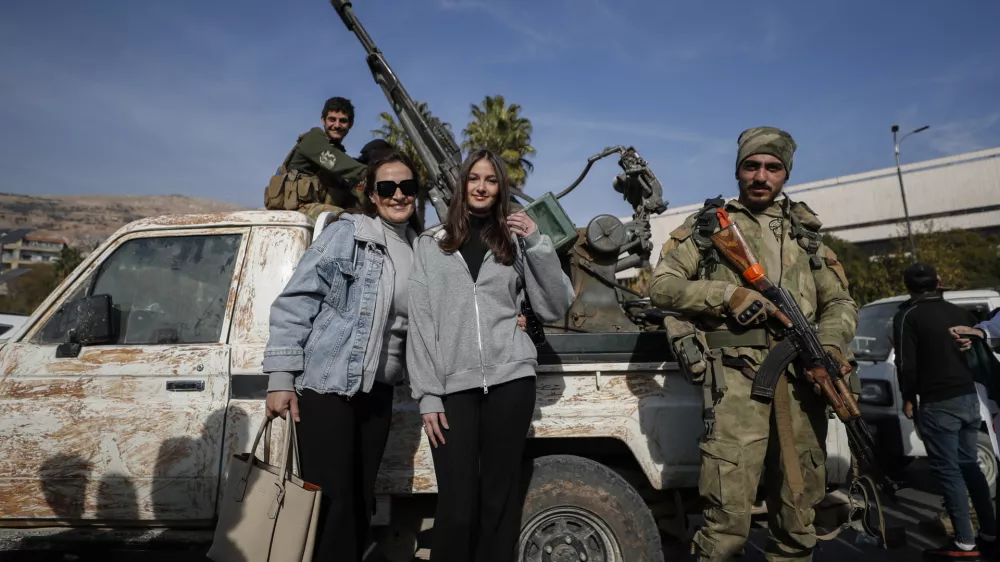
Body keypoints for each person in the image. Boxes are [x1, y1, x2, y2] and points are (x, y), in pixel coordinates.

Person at [648, 126, 858, 561]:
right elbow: (663, 286)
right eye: (752, 165)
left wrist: (832, 348)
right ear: (738, 169)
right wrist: (728, 294)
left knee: (799, 517)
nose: (761, 176)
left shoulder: (805, 234)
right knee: (726, 522)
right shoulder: (708, 228)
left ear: (786, 174)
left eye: (773, 167)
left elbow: (838, 301)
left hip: (804, 385)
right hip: (738, 387)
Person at [406, 148, 575, 562]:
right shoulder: (432, 243)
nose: (481, 187)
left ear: (500, 189)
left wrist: (537, 243)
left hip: (511, 383)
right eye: (474, 178)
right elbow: (422, 321)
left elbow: (556, 305)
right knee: (457, 507)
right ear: (462, 185)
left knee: (498, 504)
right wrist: (428, 393)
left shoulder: (516, 240)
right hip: (453, 389)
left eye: (491, 180)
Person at [262, 150, 421, 561]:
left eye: (407, 186)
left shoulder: (421, 250)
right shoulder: (348, 233)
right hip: (329, 382)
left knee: (360, 501)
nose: (398, 195)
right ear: (371, 194)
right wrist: (281, 376)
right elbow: (296, 301)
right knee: (331, 500)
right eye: (387, 187)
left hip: (378, 391)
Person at [892, 262, 997, 560]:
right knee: (969, 465)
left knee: (949, 471)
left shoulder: (907, 316)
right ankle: (989, 531)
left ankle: (964, 543)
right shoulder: (961, 313)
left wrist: (908, 397)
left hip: (938, 403)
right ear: (938, 283)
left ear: (908, 286)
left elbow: (905, 365)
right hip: (968, 397)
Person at [274, 96, 369, 221]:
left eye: (343, 121)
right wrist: (374, 173)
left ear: (350, 124)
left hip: (317, 209)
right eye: (332, 119)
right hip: (298, 210)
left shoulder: (338, 153)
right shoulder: (314, 139)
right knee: (347, 219)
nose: (337, 125)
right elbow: (336, 161)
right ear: (323, 120)